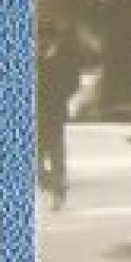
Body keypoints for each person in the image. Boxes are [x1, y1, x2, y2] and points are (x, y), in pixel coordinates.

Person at [36, 17, 80, 210]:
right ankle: (48, 181)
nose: (43, 43)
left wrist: (61, 97)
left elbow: (73, 83)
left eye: (47, 38)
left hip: (54, 111)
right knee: (37, 152)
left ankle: (58, 189)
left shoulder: (65, 60)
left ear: (54, 40)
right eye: (40, 39)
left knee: (55, 151)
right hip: (35, 111)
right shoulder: (33, 59)